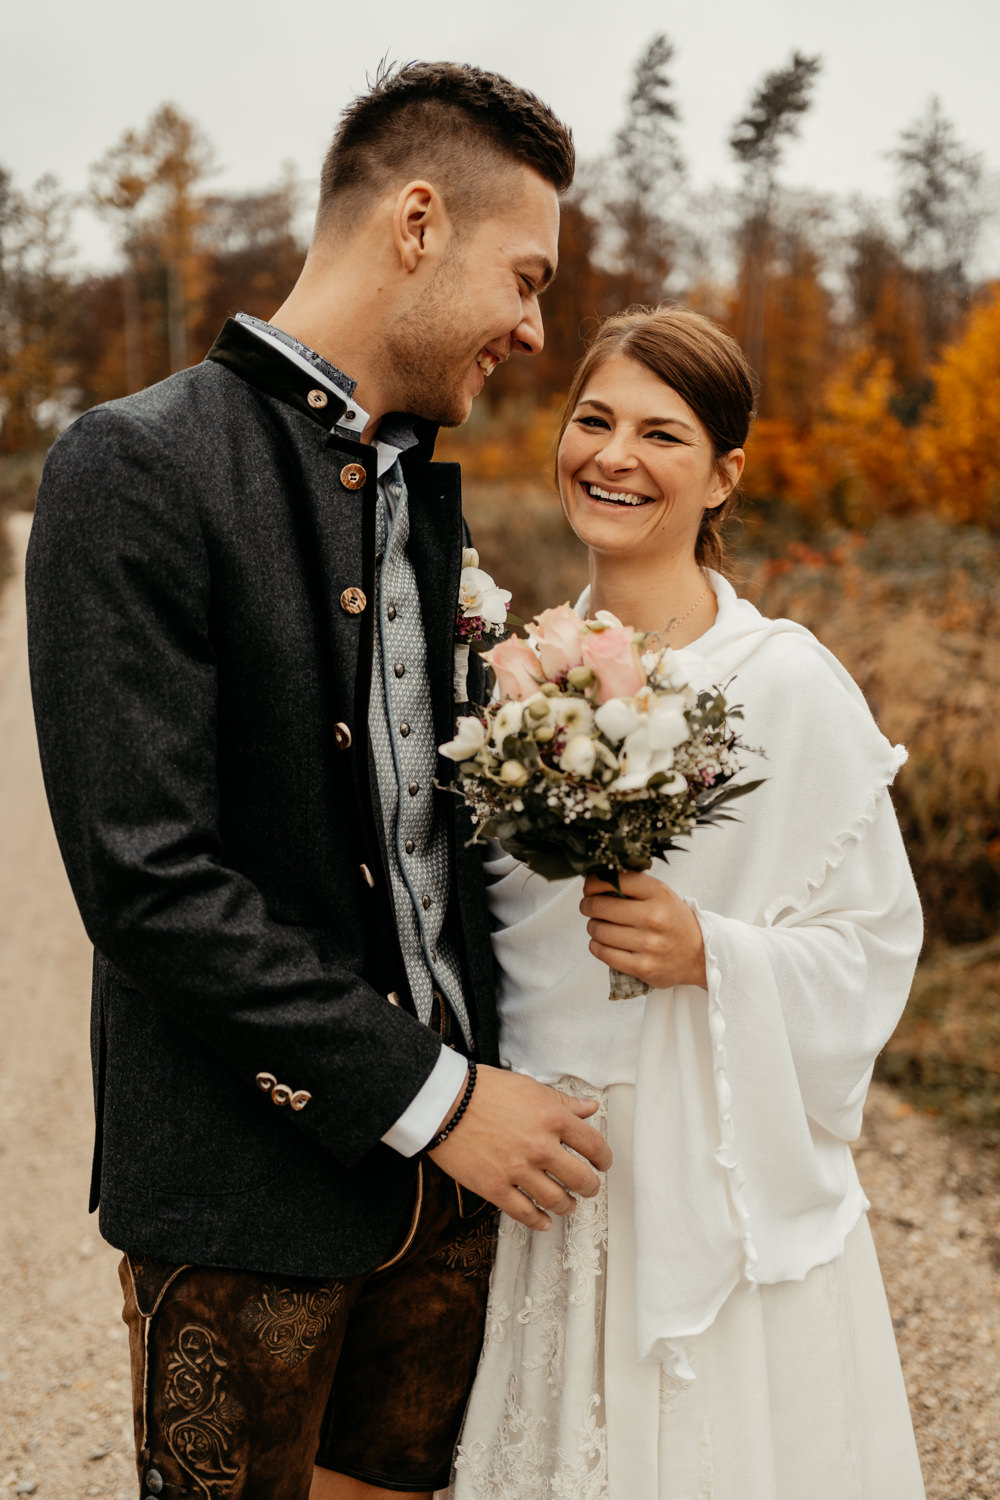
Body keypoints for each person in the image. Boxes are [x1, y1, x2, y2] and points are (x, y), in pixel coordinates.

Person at [25, 62, 612, 1500]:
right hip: (249, 1202)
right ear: (417, 222)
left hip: (456, 1208)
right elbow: (149, 881)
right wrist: (433, 1097)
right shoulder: (135, 468)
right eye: (524, 278)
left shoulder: (415, 493)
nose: (536, 332)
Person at [445, 307, 926, 1499]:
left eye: (660, 434)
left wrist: (710, 949)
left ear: (724, 475)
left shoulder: (786, 683)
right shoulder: (510, 680)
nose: (612, 456)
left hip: (708, 1162)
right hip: (543, 1170)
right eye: (591, 420)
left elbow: (875, 948)